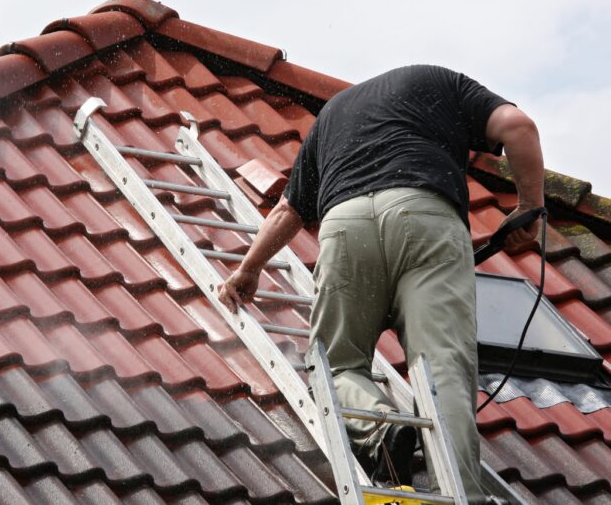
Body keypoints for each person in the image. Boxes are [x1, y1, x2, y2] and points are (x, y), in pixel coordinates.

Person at [216, 65, 543, 504]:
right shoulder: (442, 82)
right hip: (424, 215)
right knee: (442, 365)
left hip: (345, 225)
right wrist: (529, 206)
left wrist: (248, 269)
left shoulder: (330, 115)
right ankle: (462, 493)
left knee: (336, 365)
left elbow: (287, 211)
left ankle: (384, 427)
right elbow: (518, 127)